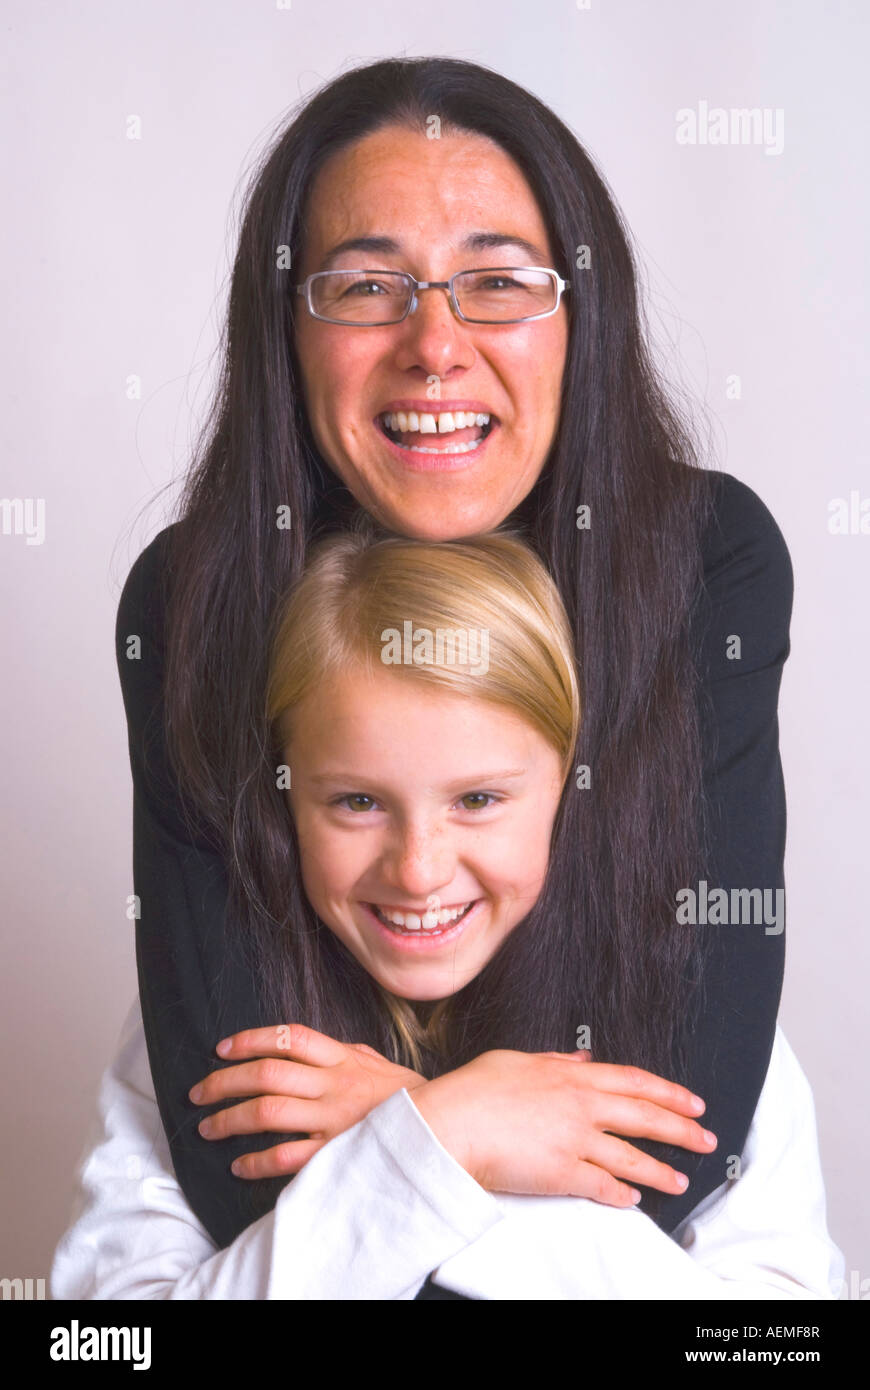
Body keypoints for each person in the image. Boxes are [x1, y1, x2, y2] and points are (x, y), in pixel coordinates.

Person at [109, 57, 794, 1286]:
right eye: (368, 286)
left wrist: (396, 1131)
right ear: (286, 332)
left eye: (497, 282)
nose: (435, 344)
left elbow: (679, 1157)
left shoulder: (705, 566)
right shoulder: (193, 600)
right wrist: (468, 1128)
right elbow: (229, 1172)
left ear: (585, 312)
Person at [51, 532, 841, 1299]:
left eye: (478, 799)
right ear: (286, 797)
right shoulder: (220, 1030)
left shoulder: (701, 1017)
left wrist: (409, 1134)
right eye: (357, 801)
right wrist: (453, 1132)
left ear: (569, 791)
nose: (419, 869)